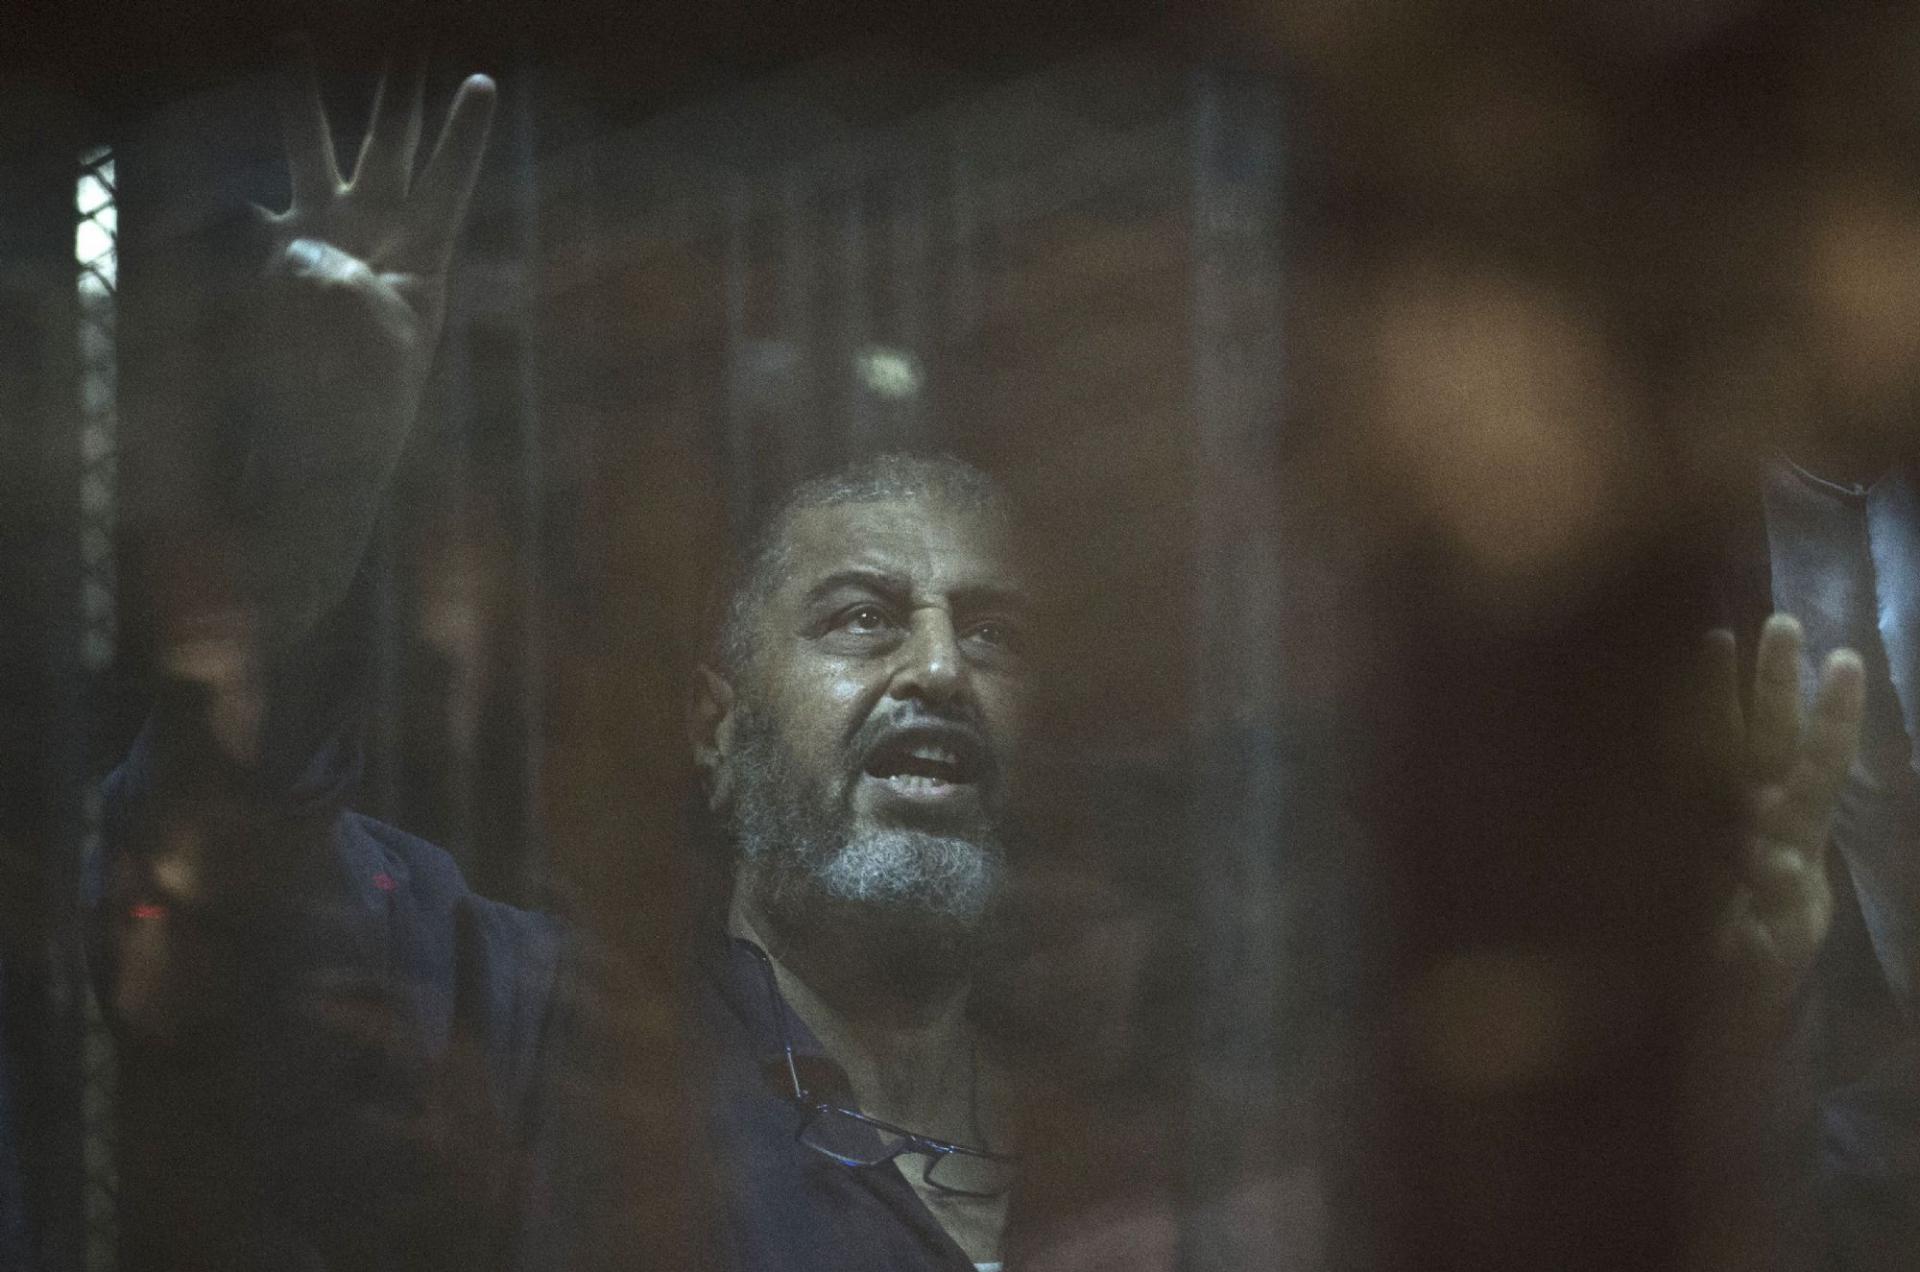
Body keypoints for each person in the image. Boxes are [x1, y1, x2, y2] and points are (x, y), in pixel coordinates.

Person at [95, 47, 1872, 1272]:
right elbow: (213, 911)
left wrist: (1701, 1039)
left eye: (993, 633)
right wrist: (301, 555)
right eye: (860, 617)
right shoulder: (532, 1032)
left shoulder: (1197, 1118)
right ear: (715, 726)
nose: (935, 669)